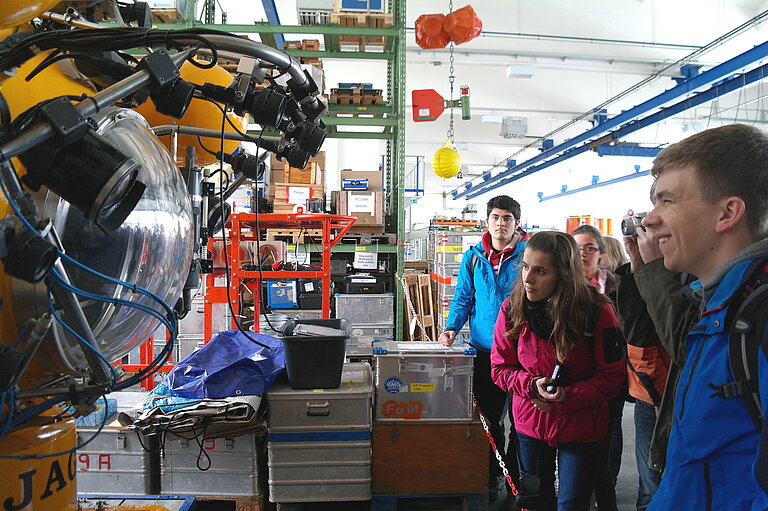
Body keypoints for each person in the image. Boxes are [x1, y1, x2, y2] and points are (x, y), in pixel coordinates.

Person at [642, 123, 768, 511]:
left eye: (668, 201)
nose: (649, 220)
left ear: (727, 213)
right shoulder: (717, 310)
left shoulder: (757, 320)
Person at [490, 231, 626, 511]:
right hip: (530, 423)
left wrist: (568, 396)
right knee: (536, 501)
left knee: (572, 503)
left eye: (540, 271)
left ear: (563, 274)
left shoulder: (597, 311)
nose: (528, 279)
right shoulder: (513, 309)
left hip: (581, 426)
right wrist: (531, 385)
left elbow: (612, 377)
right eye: (526, 267)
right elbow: (500, 367)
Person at [439, 194, 528, 500]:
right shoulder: (474, 257)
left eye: (507, 218)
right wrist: (451, 327)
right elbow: (464, 296)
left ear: (517, 223)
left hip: (522, 353)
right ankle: (492, 475)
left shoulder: (529, 256)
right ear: (487, 221)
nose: (500, 224)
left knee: (523, 422)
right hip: (485, 350)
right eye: (495, 218)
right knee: (489, 420)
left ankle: (519, 481)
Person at [570, 224, 624, 511]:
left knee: (609, 435)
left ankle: (606, 493)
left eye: (590, 248)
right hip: (577, 380)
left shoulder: (616, 285)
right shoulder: (562, 286)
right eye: (577, 248)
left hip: (609, 375)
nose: (583, 254)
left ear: (601, 253)